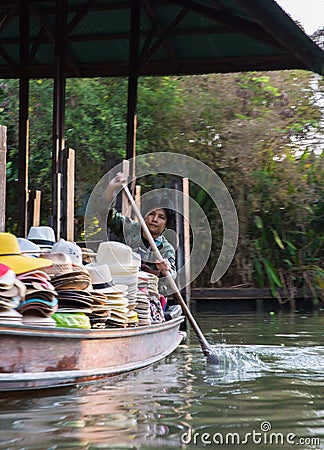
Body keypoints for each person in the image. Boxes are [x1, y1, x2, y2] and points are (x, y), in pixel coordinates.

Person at [99, 172, 177, 298]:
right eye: (152, 214)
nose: (155, 219)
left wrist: (165, 271)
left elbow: (172, 277)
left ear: (166, 224)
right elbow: (107, 215)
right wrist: (111, 188)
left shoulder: (166, 249)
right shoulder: (130, 228)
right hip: (122, 290)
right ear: (145, 215)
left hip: (148, 297)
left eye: (161, 217)